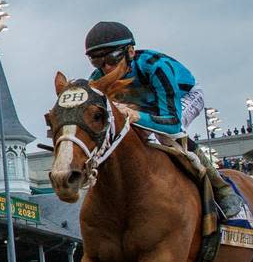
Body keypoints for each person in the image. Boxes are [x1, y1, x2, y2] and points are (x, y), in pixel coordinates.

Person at [84, 21, 241, 218]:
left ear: (130, 51)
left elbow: (172, 123)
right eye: (97, 61)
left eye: (112, 58)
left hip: (184, 97)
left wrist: (136, 116)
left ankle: (222, 189)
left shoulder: (156, 67)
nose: (106, 68)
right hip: (145, 103)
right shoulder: (96, 80)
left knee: (168, 137)